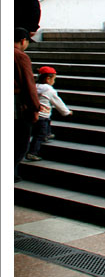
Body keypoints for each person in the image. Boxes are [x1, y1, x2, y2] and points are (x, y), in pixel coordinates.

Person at [25, 66, 72, 162]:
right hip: (43, 115)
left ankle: (48, 133)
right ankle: (32, 153)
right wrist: (66, 112)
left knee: (43, 126)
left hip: (34, 114)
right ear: (48, 78)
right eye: (54, 79)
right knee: (39, 134)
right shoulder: (49, 90)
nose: (54, 81)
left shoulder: (34, 86)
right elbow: (58, 102)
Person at [14, 28, 40, 182]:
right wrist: (35, 107)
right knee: (20, 141)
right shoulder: (20, 56)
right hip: (16, 104)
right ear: (23, 41)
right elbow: (29, 84)